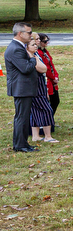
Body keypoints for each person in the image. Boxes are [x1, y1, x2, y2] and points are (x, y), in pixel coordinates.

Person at [6, 22, 38, 152]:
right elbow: (25, 68)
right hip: (21, 88)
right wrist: (33, 59)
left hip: (23, 88)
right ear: (20, 34)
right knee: (21, 117)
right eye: (29, 32)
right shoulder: (16, 48)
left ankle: (23, 143)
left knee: (24, 117)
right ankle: (20, 145)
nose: (31, 35)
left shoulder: (19, 47)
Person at [28, 35, 57, 143]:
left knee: (35, 111)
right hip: (35, 86)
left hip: (40, 84)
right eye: (33, 44)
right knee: (47, 110)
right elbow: (43, 68)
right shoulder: (31, 57)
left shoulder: (36, 55)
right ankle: (48, 136)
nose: (36, 46)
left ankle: (35, 136)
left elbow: (44, 68)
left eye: (36, 44)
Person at [36, 34, 60, 124]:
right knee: (49, 101)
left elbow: (51, 64)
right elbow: (45, 68)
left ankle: (50, 119)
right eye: (45, 41)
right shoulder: (39, 53)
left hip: (52, 80)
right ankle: (46, 121)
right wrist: (53, 78)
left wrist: (56, 76)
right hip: (47, 80)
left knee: (55, 100)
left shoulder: (45, 52)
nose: (47, 43)